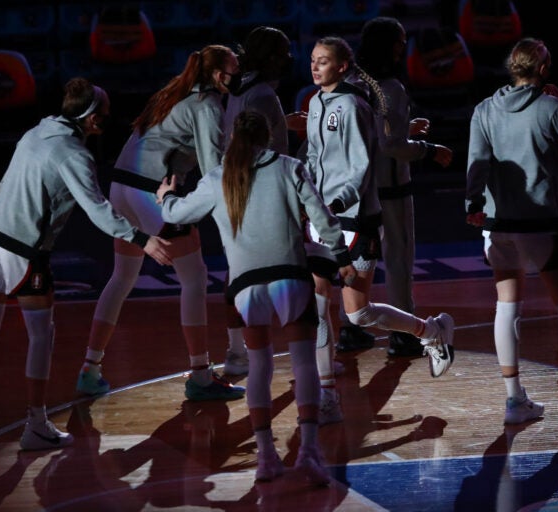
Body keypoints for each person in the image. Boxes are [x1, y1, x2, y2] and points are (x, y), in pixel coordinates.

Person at [0, 78, 174, 450]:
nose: (106, 121)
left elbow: (7, 182)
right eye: (103, 115)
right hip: (23, 250)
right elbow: (99, 212)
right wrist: (142, 239)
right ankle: (36, 423)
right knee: (42, 335)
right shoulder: (74, 154)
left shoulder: (37, 131)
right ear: (89, 117)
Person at [157, 110, 355, 485]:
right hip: (292, 282)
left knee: (260, 368)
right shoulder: (289, 166)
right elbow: (323, 218)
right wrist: (341, 257)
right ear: (267, 136)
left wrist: (165, 198)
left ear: (233, 137)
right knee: (304, 365)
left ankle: (266, 458)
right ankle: (309, 453)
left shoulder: (218, 177)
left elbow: (179, 214)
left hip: (246, 289)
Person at [75, 45, 247, 402]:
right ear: (218, 75)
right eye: (233, 68)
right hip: (151, 195)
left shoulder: (172, 94)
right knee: (195, 278)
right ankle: (201, 375)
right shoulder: (207, 105)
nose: (237, 73)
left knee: (122, 277)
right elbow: (213, 169)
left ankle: (90, 369)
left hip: (121, 187)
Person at [305, 36, 455, 425]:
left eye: (324, 61)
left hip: (355, 219)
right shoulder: (314, 104)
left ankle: (430, 330)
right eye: (313, 60)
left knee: (357, 315)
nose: (315, 66)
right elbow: (311, 158)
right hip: (322, 219)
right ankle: (326, 396)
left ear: (342, 66)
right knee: (317, 306)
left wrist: (336, 203)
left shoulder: (353, 106)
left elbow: (360, 166)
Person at [465, 37, 558, 426]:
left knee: (507, 307)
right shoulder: (550, 107)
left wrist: (473, 205)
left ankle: (515, 400)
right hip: (542, 224)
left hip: (499, 227)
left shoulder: (484, 109)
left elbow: (476, 166)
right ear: (543, 69)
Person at [357, 16, 455, 357]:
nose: (403, 47)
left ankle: (350, 329)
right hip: (390, 188)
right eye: (398, 41)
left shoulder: (355, 83)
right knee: (398, 259)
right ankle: (403, 334)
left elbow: (375, 133)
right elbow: (390, 145)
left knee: (354, 262)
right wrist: (428, 149)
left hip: (358, 189)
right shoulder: (391, 88)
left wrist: (405, 127)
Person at [219, 26, 295, 376]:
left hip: (237, 188)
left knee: (240, 274)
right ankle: (304, 354)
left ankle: (238, 352)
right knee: (290, 276)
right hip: (259, 193)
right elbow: (271, 153)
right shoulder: (261, 93)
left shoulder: (243, 88)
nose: (289, 59)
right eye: (283, 51)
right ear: (270, 56)